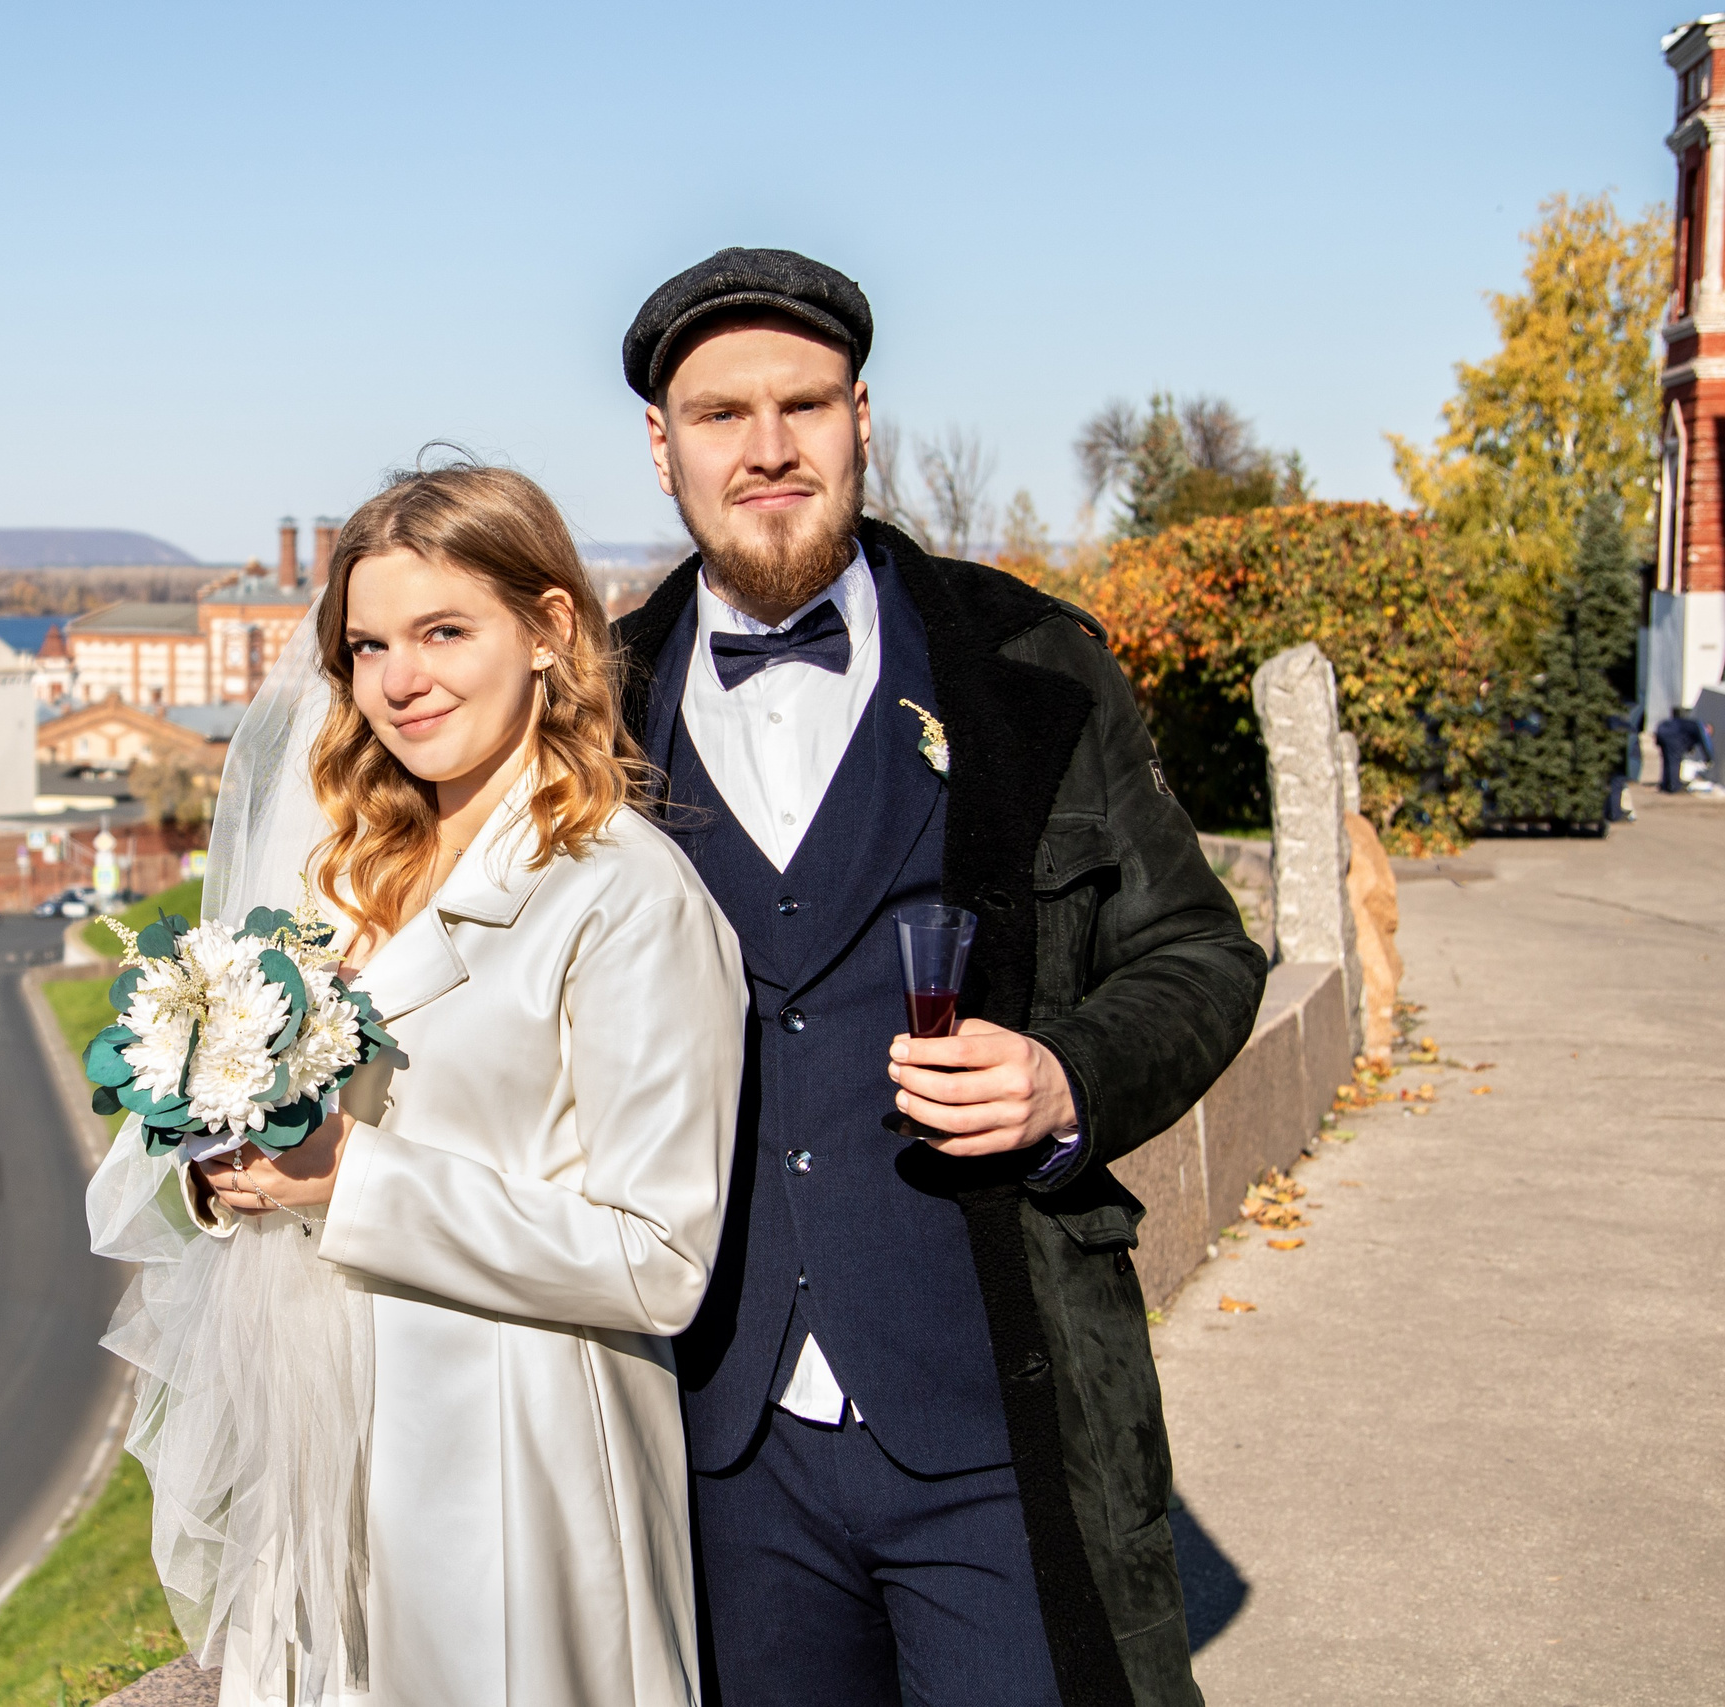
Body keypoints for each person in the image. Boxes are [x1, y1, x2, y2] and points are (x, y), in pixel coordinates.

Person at [608, 249, 1271, 1707]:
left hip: (997, 1413)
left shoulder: (1032, 666)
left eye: (803, 405)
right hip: (708, 1442)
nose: (767, 448)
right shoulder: (591, 712)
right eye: (720, 414)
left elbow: (1203, 952)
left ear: (861, 417)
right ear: (662, 445)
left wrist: (1068, 1077)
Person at [88, 464, 748, 1706]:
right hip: (320, 1446)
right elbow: (274, 1139)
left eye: (444, 631)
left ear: (548, 630)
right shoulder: (338, 869)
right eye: (369, 646)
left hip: (512, 1455)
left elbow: (659, 1258)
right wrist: (225, 1161)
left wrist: (349, 1183)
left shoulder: (625, 894)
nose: (399, 681)